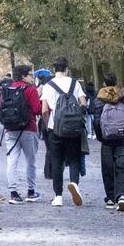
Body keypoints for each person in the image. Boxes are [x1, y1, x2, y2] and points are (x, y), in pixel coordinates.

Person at [39, 57, 87, 207]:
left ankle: (58, 196)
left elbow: (44, 109)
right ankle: (74, 184)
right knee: (73, 159)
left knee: (57, 161)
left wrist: (48, 125)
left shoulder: (48, 85)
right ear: (67, 69)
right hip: (74, 128)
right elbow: (83, 103)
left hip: (55, 128)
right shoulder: (75, 83)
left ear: (54, 70)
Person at [0, 64, 42, 204]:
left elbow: (1, 108)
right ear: (24, 76)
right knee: (31, 160)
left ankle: (13, 193)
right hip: (28, 128)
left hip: (10, 129)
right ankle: (31, 191)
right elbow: (37, 110)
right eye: (30, 75)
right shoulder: (30, 90)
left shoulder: (6, 89)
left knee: (12, 160)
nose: (32, 77)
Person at [93, 72, 124, 211]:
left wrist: (101, 137)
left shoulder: (99, 99)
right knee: (122, 168)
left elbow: (96, 121)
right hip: (123, 138)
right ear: (117, 83)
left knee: (107, 169)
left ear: (104, 84)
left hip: (106, 140)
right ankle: (121, 195)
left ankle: (110, 198)